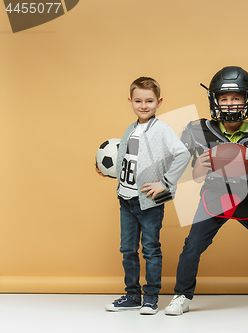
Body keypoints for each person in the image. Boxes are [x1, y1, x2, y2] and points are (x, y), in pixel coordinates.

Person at [164, 66, 248, 316]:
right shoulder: (198, 131)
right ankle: (181, 295)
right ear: (214, 100)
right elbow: (194, 179)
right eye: (223, 99)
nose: (229, 104)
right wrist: (200, 169)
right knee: (192, 245)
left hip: (247, 200)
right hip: (213, 199)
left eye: (236, 98)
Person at [96, 77, 190, 315]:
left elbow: (182, 154)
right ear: (130, 101)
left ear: (159, 102)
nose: (143, 105)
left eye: (149, 101)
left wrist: (165, 183)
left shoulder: (161, 129)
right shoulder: (131, 129)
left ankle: (150, 298)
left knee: (150, 249)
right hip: (126, 200)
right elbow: (132, 163)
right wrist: (111, 172)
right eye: (138, 100)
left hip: (148, 202)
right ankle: (132, 295)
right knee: (127, 249)